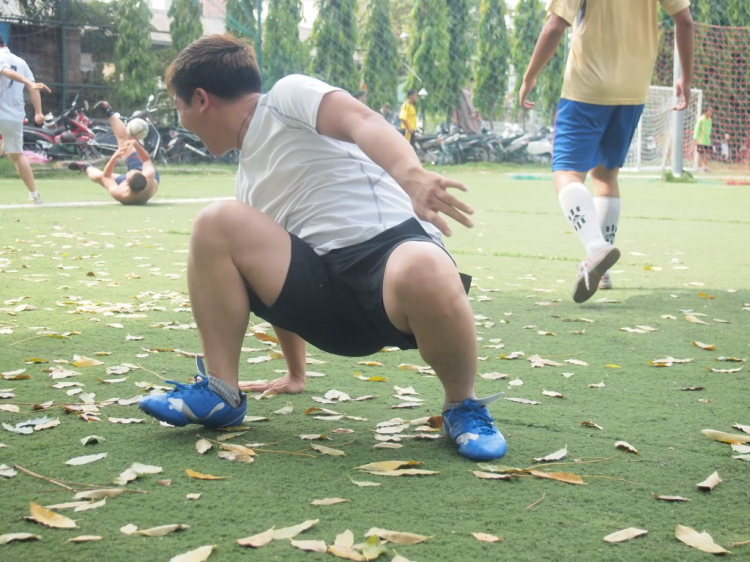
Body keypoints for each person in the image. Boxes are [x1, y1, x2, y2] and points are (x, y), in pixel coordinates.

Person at [137, 35, 507, 462]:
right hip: (325, 301)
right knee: (216, 221)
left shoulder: (285, 97)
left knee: (424, 264)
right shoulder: (248, 182)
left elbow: (361, 120)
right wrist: (295, 372)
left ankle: (462, 405)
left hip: (388, 263)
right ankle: (221, 392)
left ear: (201, 99)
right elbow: (279, 273)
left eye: (178, 107)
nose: (180, 120)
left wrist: (412, 175)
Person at [520, 0, 694, 302]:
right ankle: (603, 268)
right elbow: (686, 22)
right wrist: (686, 78)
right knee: (605, 174)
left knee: (566, 171)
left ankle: (595, 247)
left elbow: (555, 26)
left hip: (587, 89)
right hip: (633, 91)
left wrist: (529, 76)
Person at [68, 101, 159, 205]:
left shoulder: (121, 194)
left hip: (135, 182)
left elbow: (106, 176)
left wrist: (115, 156)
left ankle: (86, 167)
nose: (129, 171)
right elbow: (146, 160)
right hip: (146, 179)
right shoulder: (149, 176)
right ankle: (108, 111)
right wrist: (135, 144)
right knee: (124, 143)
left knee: (98, 177)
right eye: (133, 171)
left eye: (128, 174)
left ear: (126, 183)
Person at [0, 38, 51, 204]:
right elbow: (33, 88)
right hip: (14, 116)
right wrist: (38, 112)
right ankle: (34, 194)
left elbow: (6, 72)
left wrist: (27, 81)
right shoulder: (21, 62)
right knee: (17, 156)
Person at [693, 107, 712, 171]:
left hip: (707, 141)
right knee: (700, 154)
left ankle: (705, 167)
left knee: (707, 154)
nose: (710, 113)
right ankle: (698, 167)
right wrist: (695, 138)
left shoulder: (710, 120)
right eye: (709, 111)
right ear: (705, 112)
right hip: (701, 140)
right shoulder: (701, 119)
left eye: (711, 112)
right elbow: (697, 129)